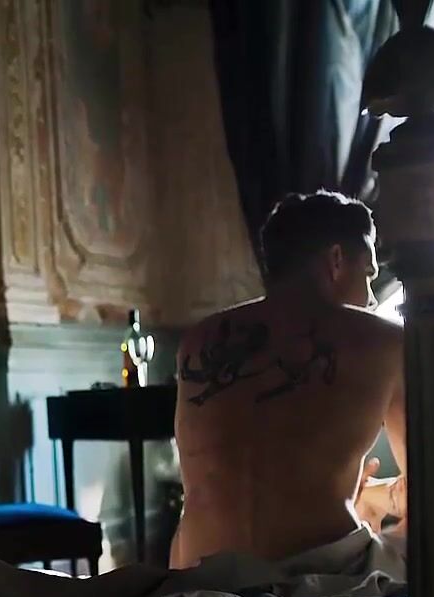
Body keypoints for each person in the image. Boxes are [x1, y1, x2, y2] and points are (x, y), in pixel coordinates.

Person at [169, 190, 407, 570]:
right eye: (367, 274)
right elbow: (429, 494)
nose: (371, 299)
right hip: (313, 580)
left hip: (199, 578)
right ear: (336, 260)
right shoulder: (384, 340)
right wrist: (381, 511)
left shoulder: (197, 342)